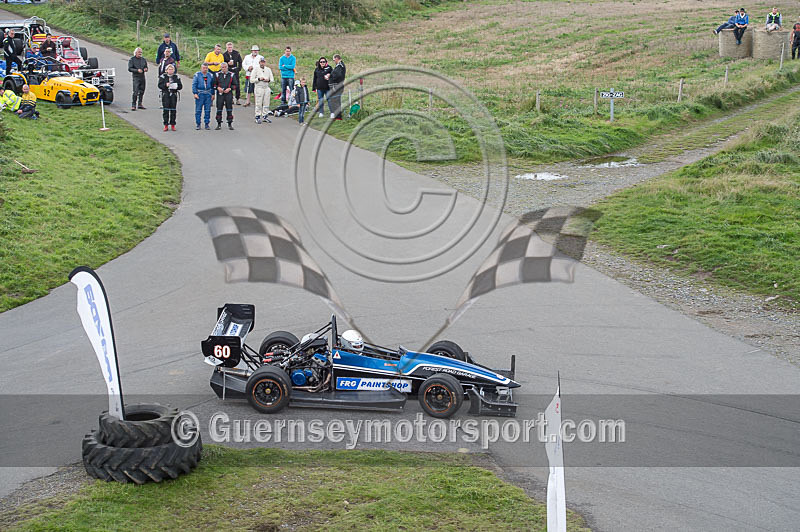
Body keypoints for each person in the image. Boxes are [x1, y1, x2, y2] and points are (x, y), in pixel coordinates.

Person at [158, 63, 182, 131]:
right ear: (166, 70)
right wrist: (165, 85)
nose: (171, 71)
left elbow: (180, 86)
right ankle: (165, 124)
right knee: (166, 110)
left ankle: (173, 124)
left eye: (172, 69)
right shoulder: (163, 76)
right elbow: (160, 85)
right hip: (166, 94)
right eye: (169, 69)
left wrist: (176, 86)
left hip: (173, 95)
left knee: (173, 110)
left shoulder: (176, 77)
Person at [214, 61, 237, 130]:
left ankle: (230, 124)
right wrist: (218, 88)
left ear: (227, 67)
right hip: (220, 94)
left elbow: (235, 85)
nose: (224, 69)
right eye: (222, 67)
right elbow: (214, 84)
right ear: (221, 68)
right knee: (219, 109)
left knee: (229, 108)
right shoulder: (217, 74)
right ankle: (219, 124)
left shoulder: (232, 74)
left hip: (228, 94)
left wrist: (230, 89)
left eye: (225, 67)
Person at [192, 62, 215, 130]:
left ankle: (207, 123)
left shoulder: (210, 75)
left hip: (208, 94)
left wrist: (213, 94)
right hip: (200, 93)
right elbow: (194, 84)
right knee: (198, 110)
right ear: (201, 68)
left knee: (207, 110)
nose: (205, 69)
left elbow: (212, 85)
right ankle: (198, 124)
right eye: (203, 68)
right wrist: (195, 93)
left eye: (206, 68)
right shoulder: (197, 75)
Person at [250, 56, 273, 124]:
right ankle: (257, 116)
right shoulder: (256, 69)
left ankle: (265, 115)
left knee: (266, 102)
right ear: (259, 62)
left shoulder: (268, 69)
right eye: (261, 62)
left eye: (263, 62)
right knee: (259, 102)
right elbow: (251, 80)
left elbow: (272, 79)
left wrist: (268, 80)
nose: (262, 63)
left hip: (266, 87)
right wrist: (259, 79)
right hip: (259, 87)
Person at [328, 53, 346, 119]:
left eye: (334, 60)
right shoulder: (338, 65)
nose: (334, 61)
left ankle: (338, 116)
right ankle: (337, 115)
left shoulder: (340, 65)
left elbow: (338, 75)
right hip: (336, 85)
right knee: (335, 100)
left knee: (336, 100)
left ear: (336, 58)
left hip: (337, 85)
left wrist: (330, 77)